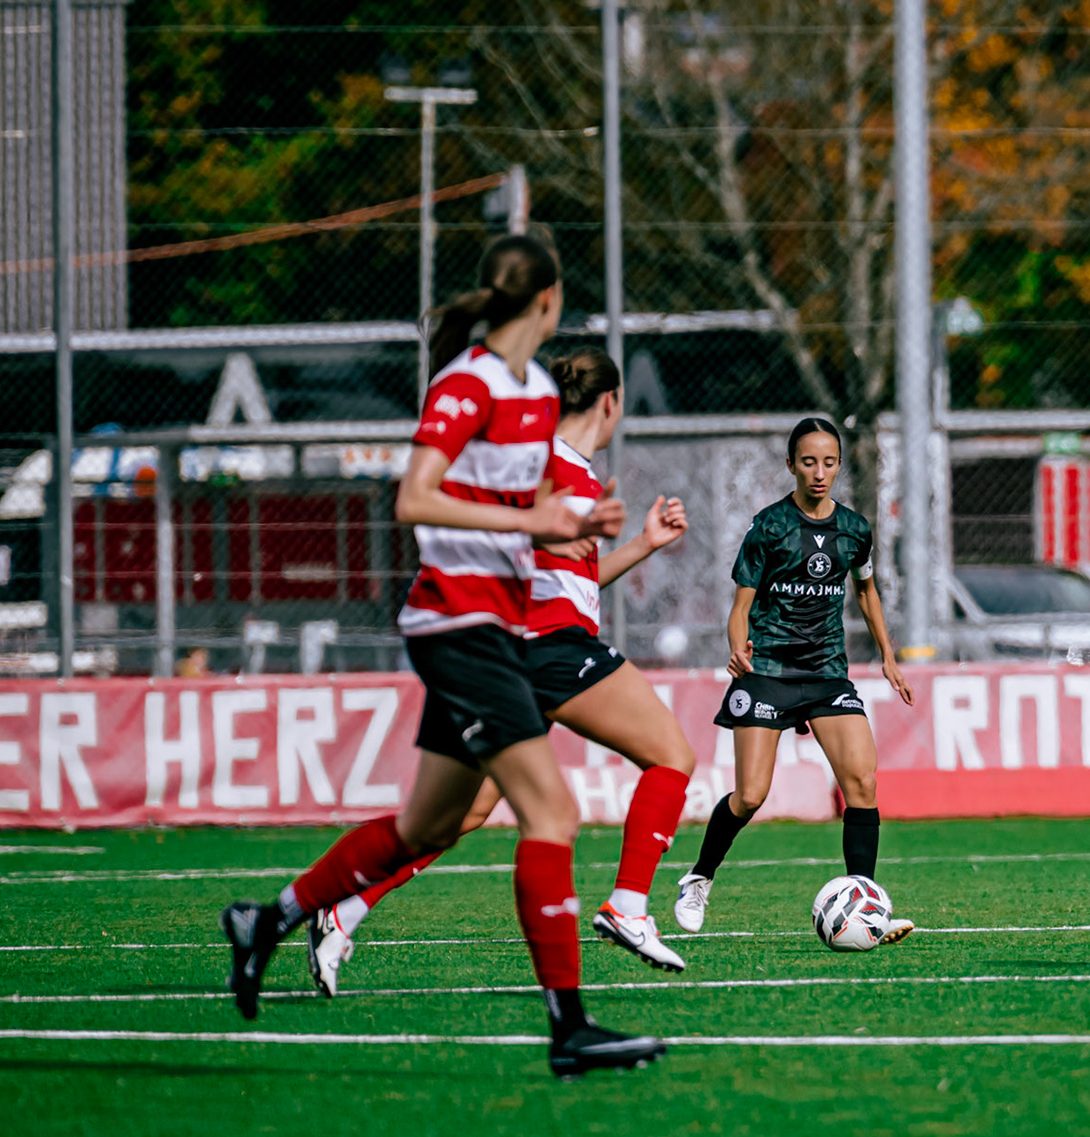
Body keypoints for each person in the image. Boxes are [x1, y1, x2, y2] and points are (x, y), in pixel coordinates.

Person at [217, 235, 666, 1076]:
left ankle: (267, 920)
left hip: (494, 625)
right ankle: (569, 1030)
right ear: (548, 301)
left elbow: (521, 493)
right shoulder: (466, 382)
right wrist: (540, 522)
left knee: (430, 825)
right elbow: (414, 497)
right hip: (455, 624)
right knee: (551, 814)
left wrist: (572, 519)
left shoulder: (534, 389)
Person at [304, 350, 698, 994]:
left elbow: (572, 578)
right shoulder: (560, 472)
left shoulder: (565, 470)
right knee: (671, 755)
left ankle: (342, 910)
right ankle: (627, 904)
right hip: (550, 646)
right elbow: (525, 553)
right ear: (612, 403)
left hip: (526, 649)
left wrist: (643, 545)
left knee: (463, 814)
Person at [674, 419, 915, 936]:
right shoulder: (769, 527)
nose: (820, 472)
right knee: (751, 796)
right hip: (767, 673)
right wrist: (736, 649)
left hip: (827, 672)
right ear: (791, 465)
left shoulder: (855, 529)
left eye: (829, 462)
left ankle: (865, 903)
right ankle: (699, 877)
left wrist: (888, 657)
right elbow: (740, 606)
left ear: (839, 465)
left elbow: (867, 591)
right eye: (808, 462)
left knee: (863, 783)